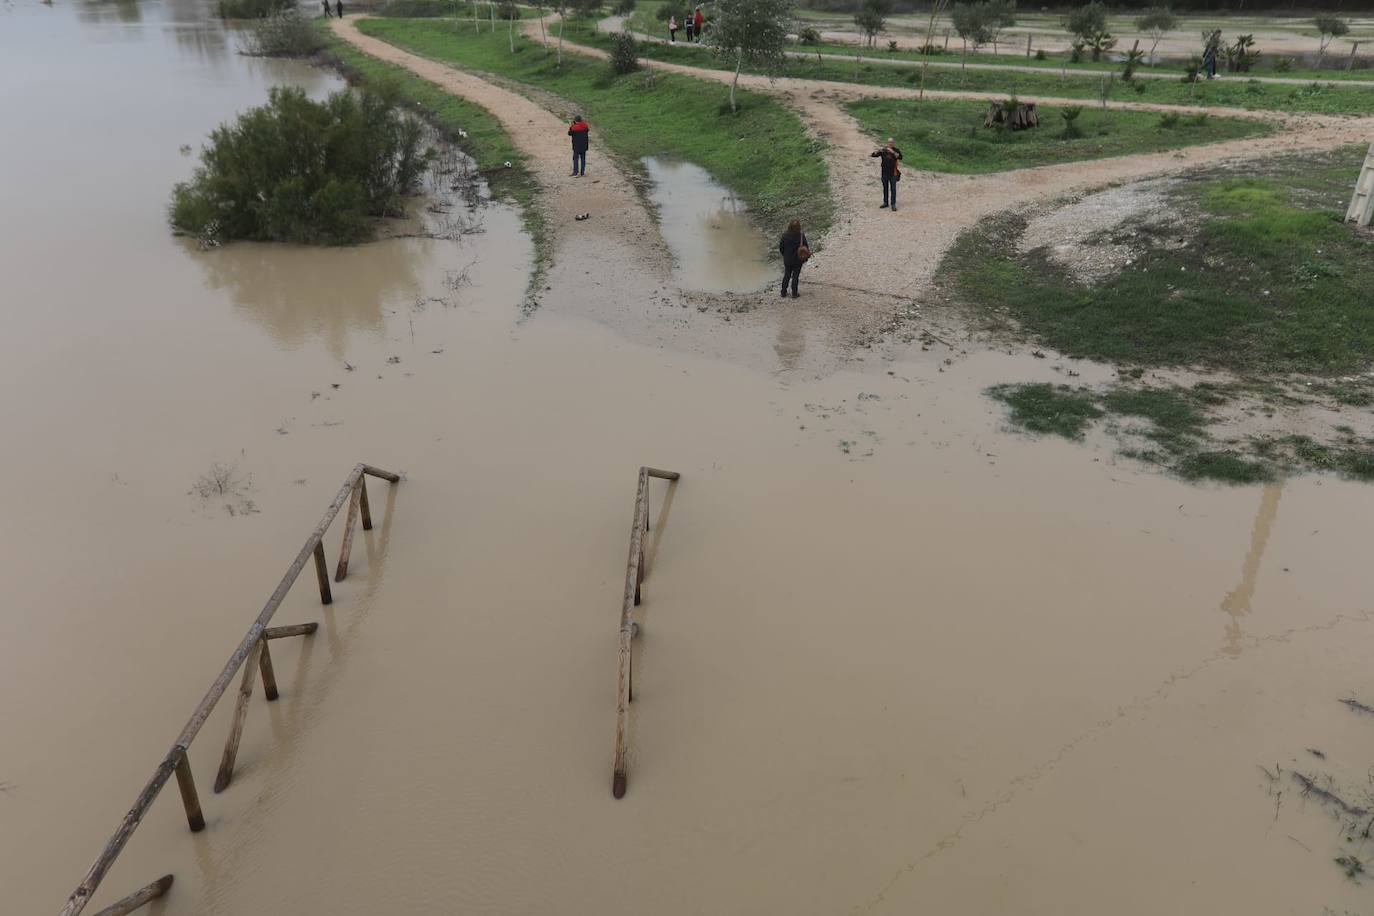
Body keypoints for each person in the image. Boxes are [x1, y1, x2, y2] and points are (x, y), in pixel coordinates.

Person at [870, 137, 903, 211]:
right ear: (887, 143)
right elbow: (873, 155)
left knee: (893, 189)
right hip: (884, 173)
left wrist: (893, 152)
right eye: (889, 142)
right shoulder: (883, 150)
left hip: (893, 173)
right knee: (885, 188)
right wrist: (876, 152)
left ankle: (893, 204)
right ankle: (885, 202)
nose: (890, 143)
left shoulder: (896, 150)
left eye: (892, 142)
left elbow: (900, 157)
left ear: (893, 143)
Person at [778, 219, 808, 299]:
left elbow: (781, 248)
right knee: (795, 276)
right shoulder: (801, 235)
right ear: (799, 227)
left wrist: (784, 255)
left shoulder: (785, 235)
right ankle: (794, 293)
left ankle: (783, 292)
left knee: (787, 275)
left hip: (787, 259)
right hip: (798, 260)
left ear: (789, 226)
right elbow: (806, 246)